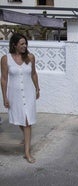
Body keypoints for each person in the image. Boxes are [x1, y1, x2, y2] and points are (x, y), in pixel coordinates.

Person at [1, 33, 40, 163]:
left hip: (28, 93)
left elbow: (33, 73)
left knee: (27, 121)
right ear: (14, 45)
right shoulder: (6, 59)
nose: (25, 46)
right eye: (22, 44)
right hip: (14, 94)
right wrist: (4, 97)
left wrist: (37, 88)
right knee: (19, 119)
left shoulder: (30, 57)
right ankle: (26, 137)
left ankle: (27, 152)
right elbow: (4, 79)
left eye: (25, 43)